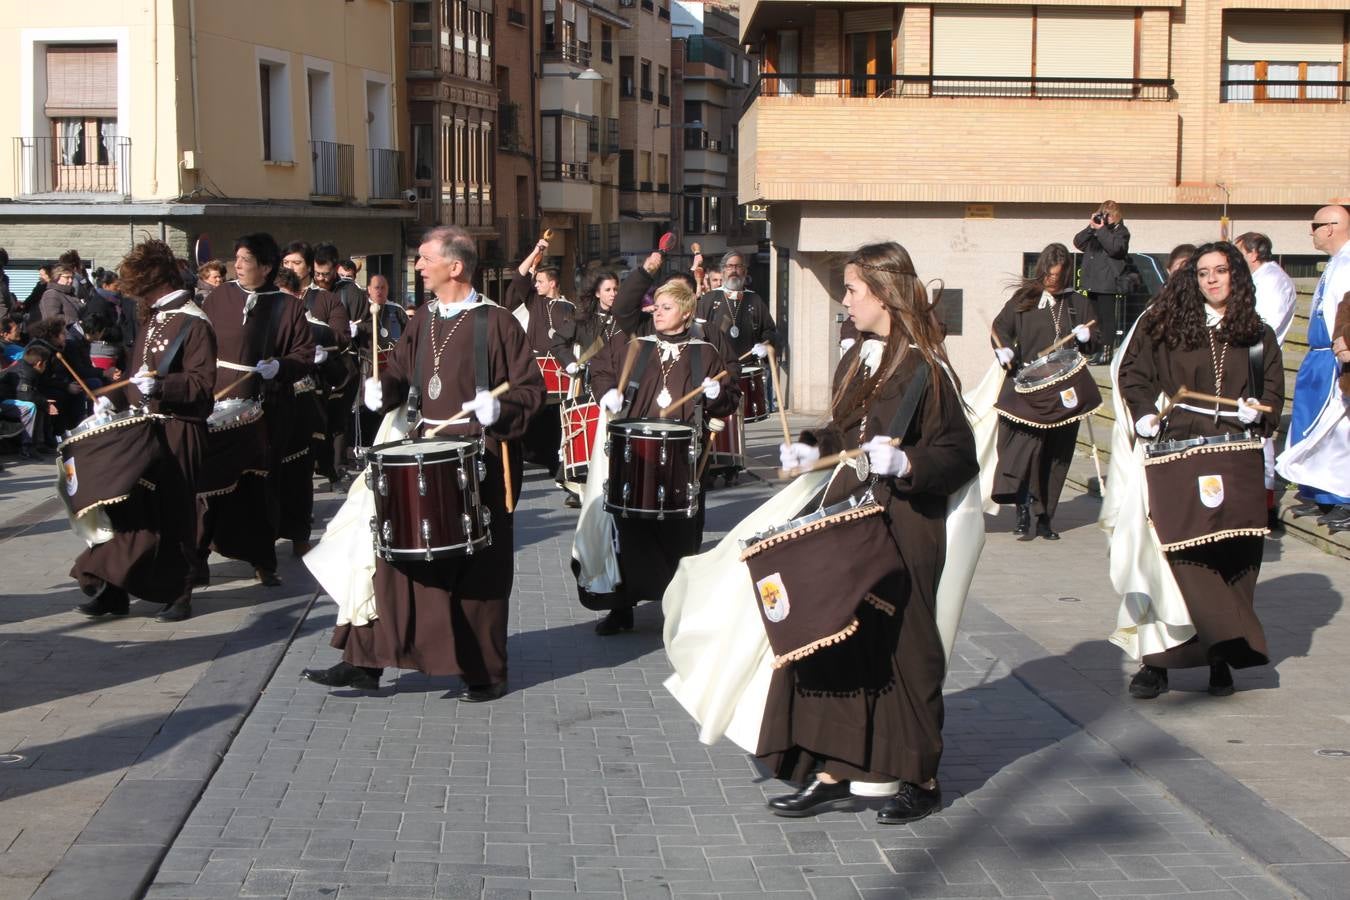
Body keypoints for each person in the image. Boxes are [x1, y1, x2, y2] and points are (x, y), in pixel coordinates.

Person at [762, 241, 978, 823]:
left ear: (882, 294)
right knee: (835, 644)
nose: (846, 300)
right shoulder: (855, 357)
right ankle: (834, 768)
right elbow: (840, 433)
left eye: (853, 289)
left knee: (908, 652)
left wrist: (908, 464)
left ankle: (920, 776)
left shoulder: (926, 370)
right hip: (848, 523)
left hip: (904, 525)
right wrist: (806, 450)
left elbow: (960, 454)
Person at [302, 225, 545, 699]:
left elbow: (531, 390)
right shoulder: (422, 319)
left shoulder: (496, 323)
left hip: (481, 458)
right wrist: (381, 391)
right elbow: (398, 369)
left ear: (455, 267)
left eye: (424, 258)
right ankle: (364, 660)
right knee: (388, 558)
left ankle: (484, 671)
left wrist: (503, 409)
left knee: (480, 571)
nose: (417, 266)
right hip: (419, 451)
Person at [1118, 242, 1283, 699]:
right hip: (1177, 458)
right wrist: (1144, 411)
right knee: (1171, 563)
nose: (1211, 280)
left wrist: (1260, 410)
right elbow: (1133, 374)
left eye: (1222, 271)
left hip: (1237, 461)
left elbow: (1273, 393)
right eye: (1203, 272)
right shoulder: (1163, 326)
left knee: (1235, 562)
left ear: (1238, 277)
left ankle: (1220, 658)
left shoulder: (1257, 334)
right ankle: (1158, 664)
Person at [585, 270, 740, 635]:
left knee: (681, 537)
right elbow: (601, 368)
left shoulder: (705, 353)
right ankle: (621, 609)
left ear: (686, 313)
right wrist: (607, 391)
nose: (657, 313)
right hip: (635, 455)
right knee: (627, 531)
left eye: (666, 307)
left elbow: (729, 398)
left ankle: (679, 608)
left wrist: (718, 396)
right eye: (656, 307)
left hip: (684, 460)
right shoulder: (636, 345)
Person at [71, 239, 218, 623]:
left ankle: (181, 593)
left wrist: (164, 387)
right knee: (126, 506)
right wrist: (114, 402)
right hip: (143, 427)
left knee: (176, 513)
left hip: (179, 430)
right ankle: (112, 588)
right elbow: (138, 377)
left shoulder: (194, 322)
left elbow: (202, 384)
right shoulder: (152, 316)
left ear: (156, 281)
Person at [199, 233, 315, 584]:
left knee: (261, 484)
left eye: (246, 260)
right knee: (210, 482)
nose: (238, 265)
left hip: (268, 407)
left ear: (266, 267)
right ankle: (198, 557)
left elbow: (303, 355)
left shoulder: (289, 306)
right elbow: (198, 343)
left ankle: (263, 559)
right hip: (220, 401)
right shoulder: (218, 298)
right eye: (237, 258)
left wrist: (280, 366)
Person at [990, 243, 1098, 539]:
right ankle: (1023, 509)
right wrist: (1004, 351)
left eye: (1058, 276)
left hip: (1064, 391)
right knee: (1025, 450)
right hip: (1027, 387)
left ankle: (1046, 517)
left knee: (1056, 454)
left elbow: (1094, 340)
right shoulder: (1024, 299)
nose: (1052, 281)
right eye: (1048, 275)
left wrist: (1088, 338)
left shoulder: (1077, 303)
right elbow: (999, 329)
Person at [1278, 206, 1350, 530]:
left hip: (1335, 356)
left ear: (1332, 227)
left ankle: (1343, 499)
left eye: (1315, 225)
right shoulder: (1336, 262)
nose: (1312, 232)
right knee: (1311, 426)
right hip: (1319, 355)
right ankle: (1322, 495)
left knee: (1336, 430)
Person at [282, 240, 354, 487]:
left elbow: (342, 337)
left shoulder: (325, 299)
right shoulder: (272, 294)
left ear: (309, 266)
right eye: (287, 262)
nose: (291, 267)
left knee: (314, 436)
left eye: (297, 262)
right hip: (280, 378)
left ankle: (328, 470)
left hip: (316, 379)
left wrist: (321, 340)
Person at [351, 273, 407, 453]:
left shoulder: (397, 311)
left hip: (392, 367)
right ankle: (365, 447)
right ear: (368, 289)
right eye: (376, 287)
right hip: (368, 367)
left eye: (383, 287)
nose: (380, 291)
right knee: (367, 407)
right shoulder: (361, 310)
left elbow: (409, 338)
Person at [1073, 201, 1131, 363]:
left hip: (1107, 282)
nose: (1106, 218)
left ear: (1116, 216)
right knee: (1094, 318)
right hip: (1092, 281)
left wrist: (1102, 230)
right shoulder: (1097, 230)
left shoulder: (1121, 232)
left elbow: (1116, 249)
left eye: (1109, 215)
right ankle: (1095, 349)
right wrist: (1091, 227)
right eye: (1103, 214)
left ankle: (1106, 353)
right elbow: (1078, 242)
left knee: (1107, 318)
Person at [0, 343, 49, 457]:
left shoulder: (29, 369)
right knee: (29, 407)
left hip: (9, 399)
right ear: (39, 363)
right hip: (4, 401)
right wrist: (44, 402)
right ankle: (27, 447)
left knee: (39, 405)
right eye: (45, 364)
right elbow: (25, 396)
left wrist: (44, 401)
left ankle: (39, 443)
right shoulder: (25, 372)